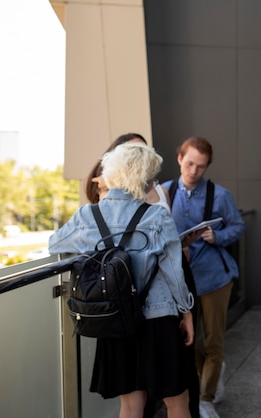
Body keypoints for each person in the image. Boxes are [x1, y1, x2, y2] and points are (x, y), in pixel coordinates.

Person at [49, 143, 195, 418]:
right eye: (153, 177)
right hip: (157, 320)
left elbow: (55, 245)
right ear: (144, 178)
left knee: (130, 404)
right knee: (177, 400)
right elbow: (174, 275)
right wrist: (186, 312)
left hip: (115, 320)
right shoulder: (157, 216)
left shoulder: (87, 215)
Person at [163, 137, 245, 418]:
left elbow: (238, 226)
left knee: (213, 342)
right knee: (187, 341)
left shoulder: (219, 195)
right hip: (178, 280)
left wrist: (217, 236)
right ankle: (208, 377)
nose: (194, 171)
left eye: (201, 166)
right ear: (179, 158)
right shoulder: (163, 193)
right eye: (189, 164)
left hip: (214, 278)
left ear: (207, 166)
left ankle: (206, 398)